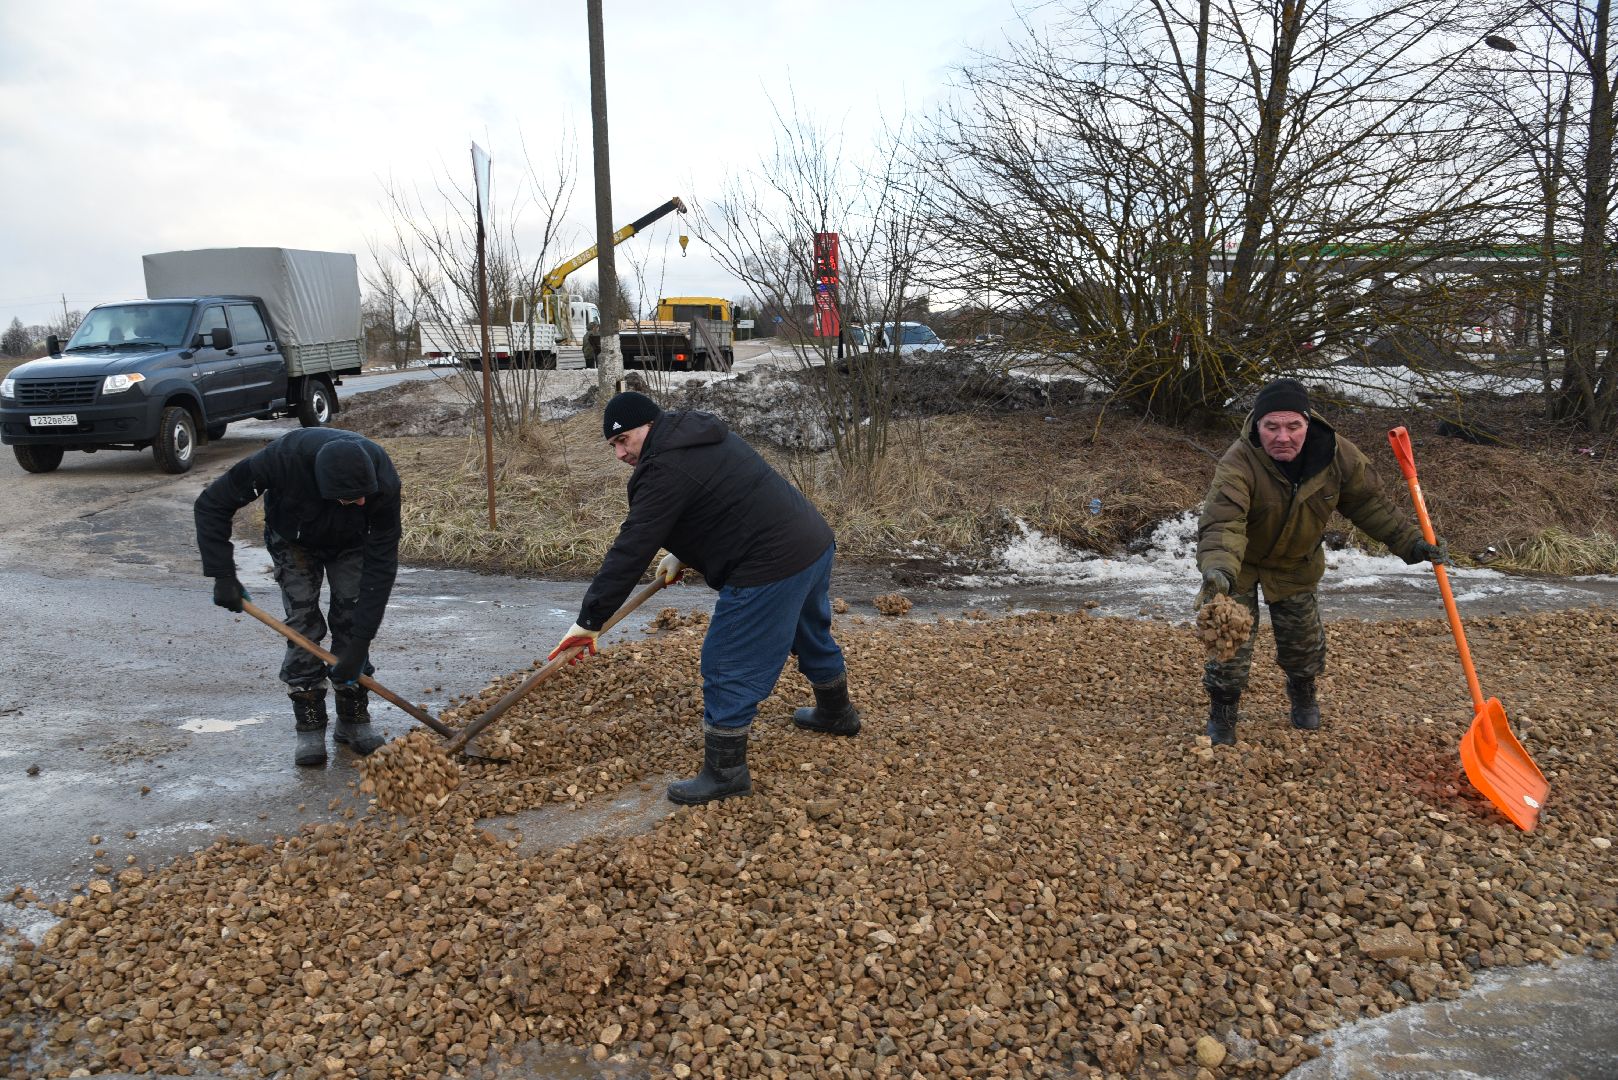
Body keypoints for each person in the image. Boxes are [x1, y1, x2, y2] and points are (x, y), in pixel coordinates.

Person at [550, 391, 859, 805]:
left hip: (769, 563)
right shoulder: (697, 433)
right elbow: (723, 498)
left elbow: (631, 548)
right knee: (808, 630)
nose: (620, 453)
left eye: (624, 440)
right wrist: (683, 551)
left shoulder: (664, 467)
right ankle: (837, 714)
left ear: (649, 424)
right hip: (810, 542)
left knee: (727, 660)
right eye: (613, 446)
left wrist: (590, 621)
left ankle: (726, 773)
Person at [1195, 378, 1446, 745]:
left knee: (1303, 644)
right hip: (1239, 565)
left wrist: (1412, 544)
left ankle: (1302, 693)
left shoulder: (1336, 454)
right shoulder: (1239, 460)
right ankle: (1223, 709)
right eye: (1272, 427)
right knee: (1228, 645)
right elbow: (1223, 522)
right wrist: (1219, 570)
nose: (1283, 436)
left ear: (1307, 423)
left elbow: (1369, 504)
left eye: (1293, 426)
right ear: (1257, 426)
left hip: (1297, 561)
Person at [194, 428, 402, 767]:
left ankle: (353, 718)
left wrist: (360, 645)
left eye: (366, 495)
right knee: (303, 623)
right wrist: (223, 575)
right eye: (353, 498)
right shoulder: (281, 460)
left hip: (352, 541)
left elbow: (381, 566)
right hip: (293, 537)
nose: (363, 501)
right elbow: (212, 504)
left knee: (351, 614)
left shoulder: (381, 480)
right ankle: (309, 722)